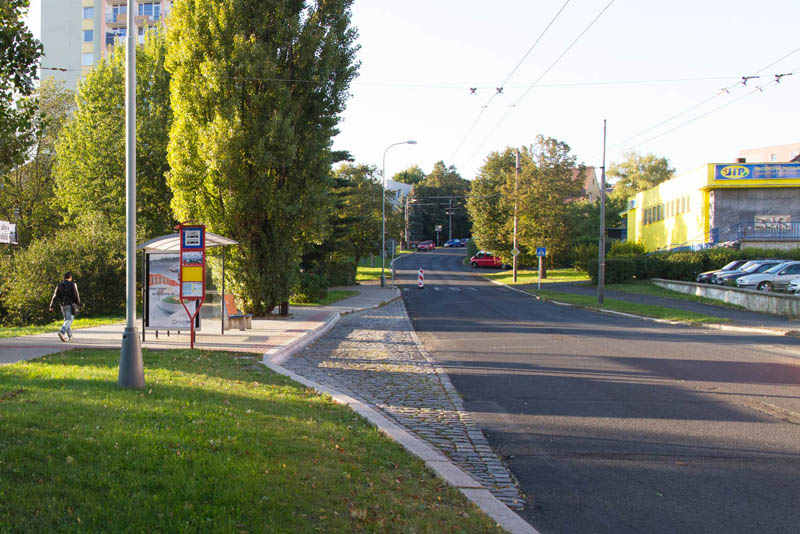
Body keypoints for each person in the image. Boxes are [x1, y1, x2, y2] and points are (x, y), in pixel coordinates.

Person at [49, 272, 81, 342]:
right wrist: (78, 303)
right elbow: (75, 295)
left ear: (64, 277)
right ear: (70, 277)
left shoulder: (59, 285)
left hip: (62, 305)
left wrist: (51, 305)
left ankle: (70, 336)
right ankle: (62, 332)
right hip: (70, 305)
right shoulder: (72, 285)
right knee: (69, 320)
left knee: (66, 320)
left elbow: (55, 296)